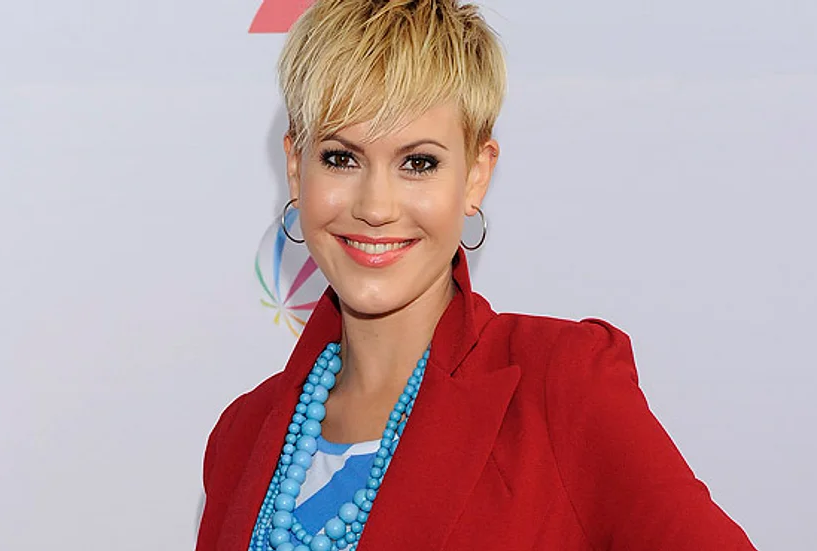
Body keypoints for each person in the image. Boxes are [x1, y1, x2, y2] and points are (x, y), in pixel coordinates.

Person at [197, 1, 756, 550]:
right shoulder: (241, 436)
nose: (375, 206)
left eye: (418, 163)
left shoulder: (561, 387)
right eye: (342, 158)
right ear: (296, 167)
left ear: (476, 176)